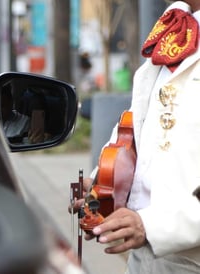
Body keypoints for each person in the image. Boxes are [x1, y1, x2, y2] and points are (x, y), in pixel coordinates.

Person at [71, 1, 200, 273]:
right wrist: (103, 187)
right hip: (146, 258)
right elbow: (139, 128)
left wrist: (152, 226)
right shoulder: (175, 28)